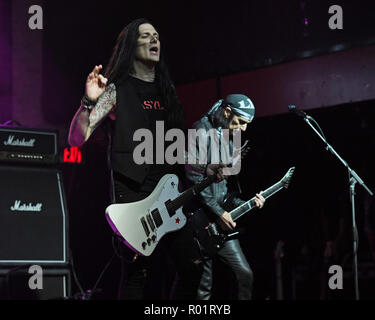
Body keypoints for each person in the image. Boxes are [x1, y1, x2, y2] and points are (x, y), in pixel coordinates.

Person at [68, 18, 224, 300]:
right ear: (131, 45)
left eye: (157, 36)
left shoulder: (167, 91)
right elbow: (78, 138)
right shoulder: (116, 90)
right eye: (145, 36)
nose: (154, 40)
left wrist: (205, 166)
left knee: (193, 266)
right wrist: (88, 101)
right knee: (137, 273)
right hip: (133, 192)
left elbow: (177, 147)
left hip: (170, 194)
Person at [185, 94, 265, 300]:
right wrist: (219, 213)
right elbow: (194, 180)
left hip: (218, 222)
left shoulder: (230, 137)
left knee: (244, 274)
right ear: (227, 112)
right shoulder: (200, 131)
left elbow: (223, 186)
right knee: (202, 287)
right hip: (198, 221)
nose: (244, 129)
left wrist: (246, 204)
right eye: (241, 122)